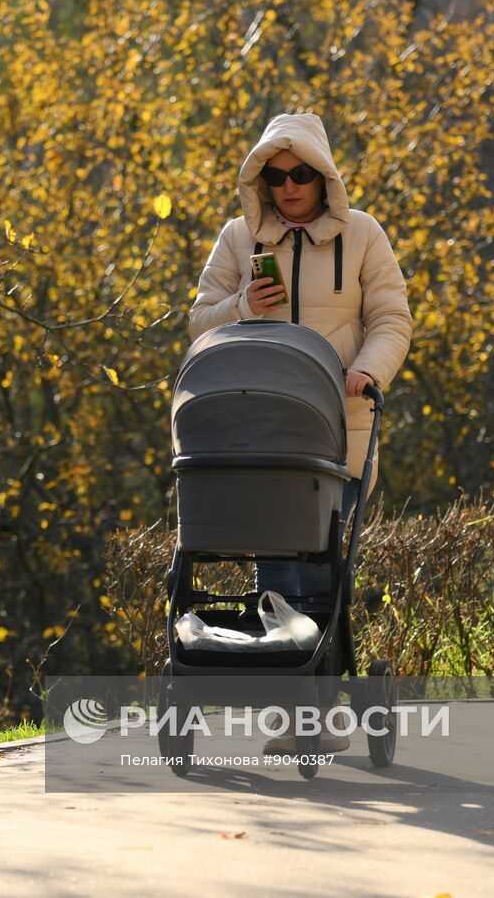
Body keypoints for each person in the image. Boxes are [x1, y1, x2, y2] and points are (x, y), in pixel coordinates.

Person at [188, 113, 413, 753]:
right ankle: (298, 709)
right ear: (262, 178)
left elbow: (391, 318)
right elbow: (199, 322)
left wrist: (366, 370)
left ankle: (311, 705)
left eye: (302, 175)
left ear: (324, 177)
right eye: (277, 176)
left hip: (340, 427)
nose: (289, 187)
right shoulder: (238, 239)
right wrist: (240, 309)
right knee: (275, 561)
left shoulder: (364, 235)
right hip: (257, 435)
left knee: (320, 562)